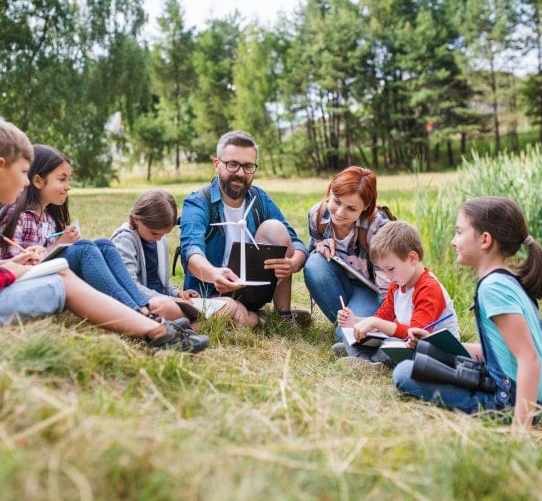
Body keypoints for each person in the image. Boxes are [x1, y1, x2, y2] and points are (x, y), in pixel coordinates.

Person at [0, 115, 207, 353]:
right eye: (22, 173)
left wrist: (12, 264)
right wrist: (12, 272)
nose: (24, 182)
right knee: (60, 282)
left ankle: (152, 326)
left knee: (60, 272)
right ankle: (154, 331)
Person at [393, 196, 542, 430]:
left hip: (509, 402)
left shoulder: (493, 289)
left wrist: (520, 429)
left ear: (485, 240)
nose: (453, 241)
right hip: (518, 391)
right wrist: (439, 345)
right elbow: (503, 352)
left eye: (459, 232)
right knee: (424, 356)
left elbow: (528, 359)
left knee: (404, 372)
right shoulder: (505, 280)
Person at [0, 144, 179, 320]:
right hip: (18, 285)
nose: (68, 186)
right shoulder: (15, 214)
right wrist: (60, 243)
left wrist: (59, 243)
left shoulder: (49, 218)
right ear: (38, 180)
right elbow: (18, 266)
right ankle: (137, 314)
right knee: (84, 248)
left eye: (69, 179)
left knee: (103, 244)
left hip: (45, 274)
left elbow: (42, 255)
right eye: (62, 179)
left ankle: (142, 307)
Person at [178, 130, 309, 328]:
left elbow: (296, 242)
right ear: (217, 164)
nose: (240, 173)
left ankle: (282, 316)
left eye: (248, 166)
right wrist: (214, 274)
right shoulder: (198, 201)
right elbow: (191, 252)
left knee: (275, 228)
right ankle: (257, 319)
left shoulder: (259, 199)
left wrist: (293, 263)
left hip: (252, 290)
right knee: (232, 312)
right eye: (232, 164)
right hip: (210, 291)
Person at [336, 220, 459, 365]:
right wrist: (355, 321)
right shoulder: (398, 283)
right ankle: (365, 357)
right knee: (354, 335)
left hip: (432, 351)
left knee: (391, 344)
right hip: (406, 342)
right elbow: (383, 317)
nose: (388, 276)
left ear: (412, 259)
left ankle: (364, 358)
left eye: (391, 269)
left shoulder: (429, 288)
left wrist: (375, 322)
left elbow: (416, 334)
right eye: (383, 270)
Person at [110, 189, 240, 322]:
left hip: (165, 300)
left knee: (229, 303)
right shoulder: (125, 239)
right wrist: (172, 299)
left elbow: (159, 282)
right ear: (136, 219)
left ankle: (189, 324)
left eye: (164, 234)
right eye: (154, 233)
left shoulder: (159, 241)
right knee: (165, 307)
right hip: (143, 303)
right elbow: (129, 286)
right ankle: (193, 323)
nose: (159, 238)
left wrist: (177, 293)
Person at [303, 166, 393, 346]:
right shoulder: (317, 215)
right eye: (336, 201)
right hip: (340, 283)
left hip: (372, 290)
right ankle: (346, 328)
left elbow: (389, 284)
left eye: (351, 208)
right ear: (330, 191)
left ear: (366, 207)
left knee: (345, 340)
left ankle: (349, 333)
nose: (339, 212)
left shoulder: (378, 227)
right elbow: (312, 253)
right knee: (314, 263)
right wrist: (319, 246)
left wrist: (387, 320)